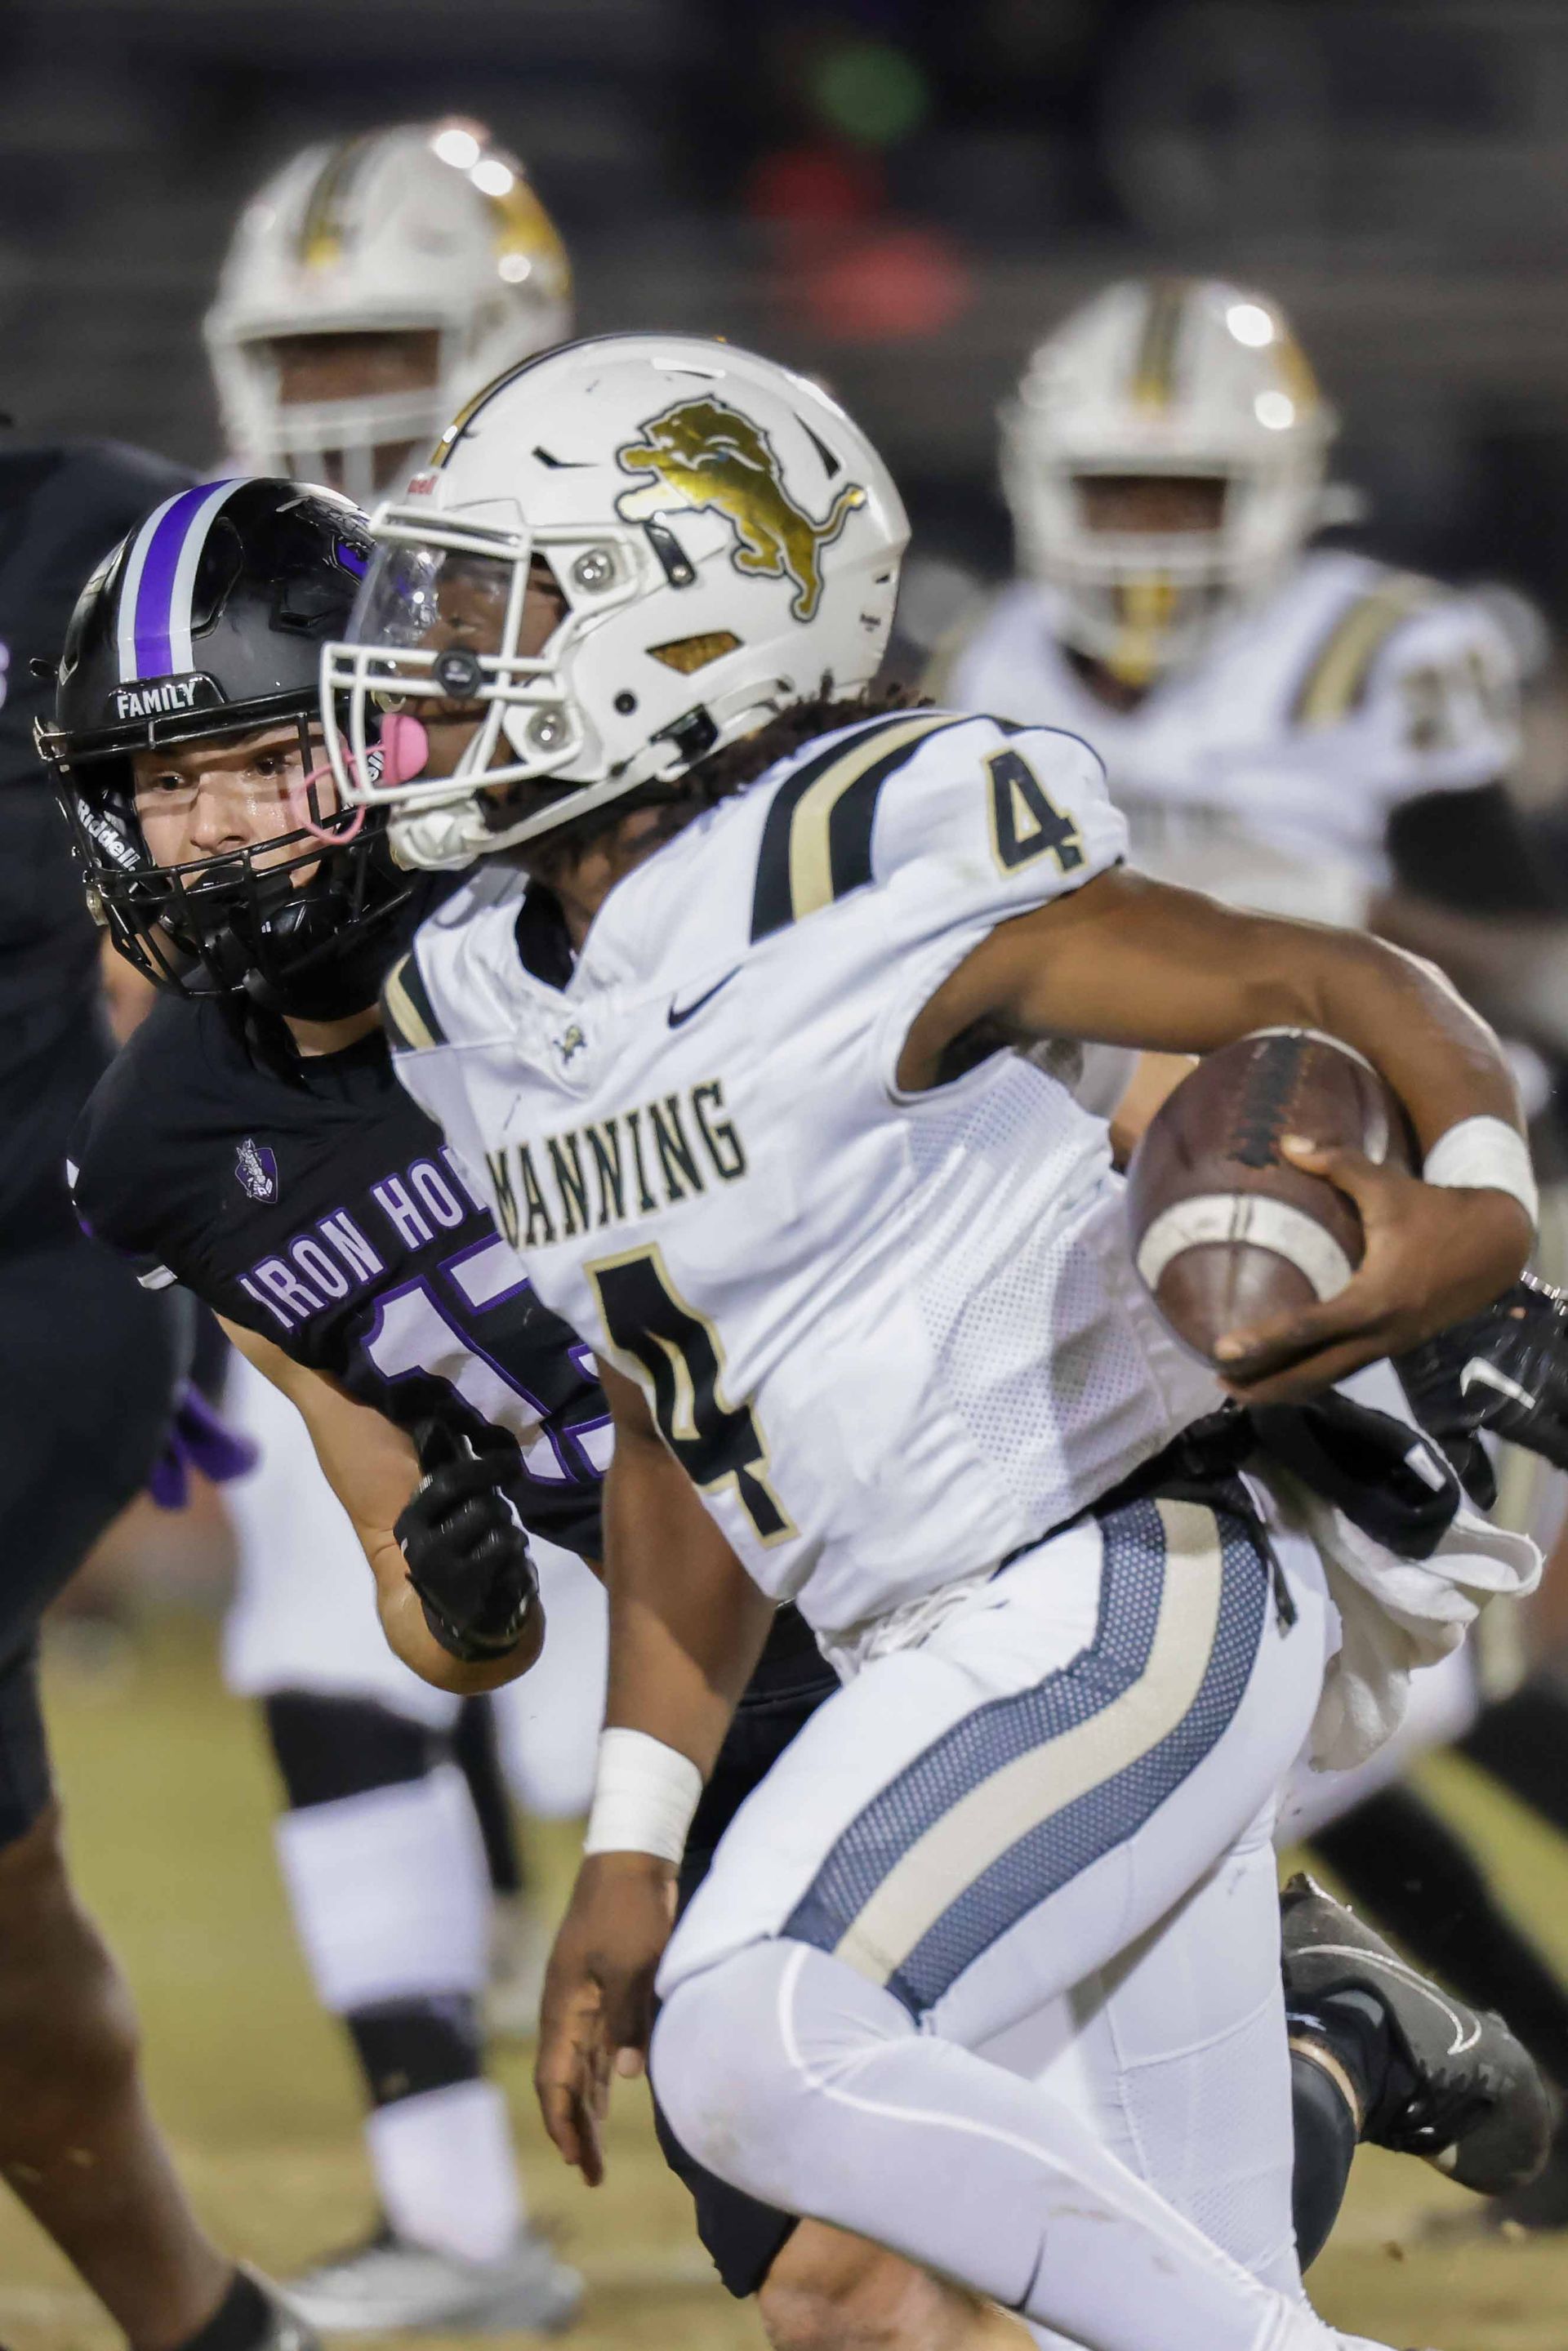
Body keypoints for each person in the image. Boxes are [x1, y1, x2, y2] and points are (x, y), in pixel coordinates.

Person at [51, 467, 1544, 2351]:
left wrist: (1287, 1272)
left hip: (1005, 1561)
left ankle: (1279, 2004)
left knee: (849, 2163)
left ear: (386, 735)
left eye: (258, 768)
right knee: (862, 2307)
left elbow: (1086, 1081)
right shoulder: (172, 1148)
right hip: (720, 1678)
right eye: (160, 790)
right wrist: (477, 1596)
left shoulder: (578, 929)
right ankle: (1318, 2039)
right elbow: (431, 1599)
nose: (205, 838)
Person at [947, 271, 1568, 2237]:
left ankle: (1500, 2081)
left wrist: (1325, 925)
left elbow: (1530, 957)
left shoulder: (1390, 651)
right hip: (1143, 1221)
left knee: (1423, 1666)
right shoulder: (991, 653)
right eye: (1118, 491)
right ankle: (1526, 2085)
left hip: (1412, 1194)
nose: (1148, 535)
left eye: (1185, 490)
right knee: (1311, 1698)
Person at [0, 439, 310, 2351]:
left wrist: (226, 1188)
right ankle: (212, 2329)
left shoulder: (84, 537)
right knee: (11, 1933)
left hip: (22, 1274)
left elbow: (310, 851)